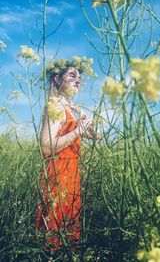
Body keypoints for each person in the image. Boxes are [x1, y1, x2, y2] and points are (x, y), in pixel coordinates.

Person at [35, 58, 98, 253]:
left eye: (79, 76)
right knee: (55, 230)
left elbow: (92, 137)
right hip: (58, 174)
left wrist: (90, 130)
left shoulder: (70, 107)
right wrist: (79, 130)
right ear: (57, 78)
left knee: (68, 228)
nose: (78, 80)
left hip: (71, 173)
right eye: (72, 75)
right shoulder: (55, 106)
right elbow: (46, 147)